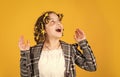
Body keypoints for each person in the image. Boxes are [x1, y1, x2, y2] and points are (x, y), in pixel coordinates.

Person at [18, 11, 97, 77]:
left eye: (59, 21)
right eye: (52, 22)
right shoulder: (33, 51)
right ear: (43, 29)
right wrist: (24, 53)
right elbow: (25, 75)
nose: (59, 24)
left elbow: (91, 67)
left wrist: (83, 43)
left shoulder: (69, 49)